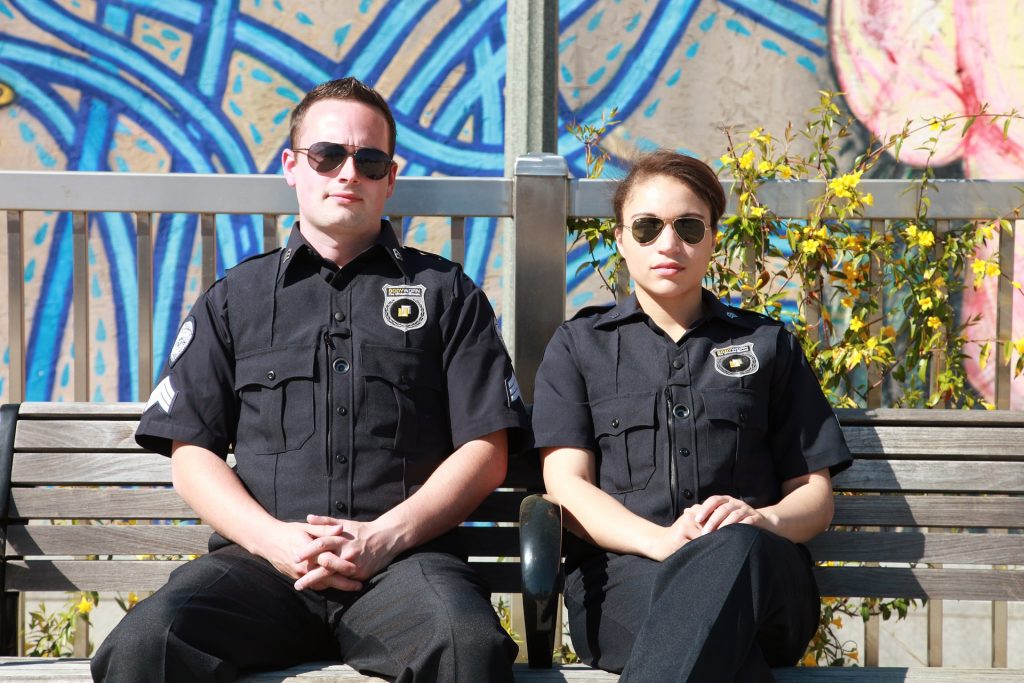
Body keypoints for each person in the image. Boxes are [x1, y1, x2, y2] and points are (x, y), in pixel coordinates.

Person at [92, 77, 528, 683]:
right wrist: (274, 541)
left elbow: (487, 450)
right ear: (292, 167)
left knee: (465, 647)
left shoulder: (447, 295)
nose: (348, 173)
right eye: (328, 156)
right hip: (260, 571)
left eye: (369, 160)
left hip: (404, 569)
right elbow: (192, 452)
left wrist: (382, 538)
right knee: (146, 644)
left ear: (390, 177)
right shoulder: (234, 300)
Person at [531, 150, 852, 682]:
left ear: (713, 238)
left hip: (764, 578)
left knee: (735, 548)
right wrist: (658, 541)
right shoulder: (578, 347)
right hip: (625, 581)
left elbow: (815, 499)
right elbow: (564, 485)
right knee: (726, 658)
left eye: (687, 226)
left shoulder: (767, 344)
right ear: (619, 239)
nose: (668, 243)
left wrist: (763, 520)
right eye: (647, 226)